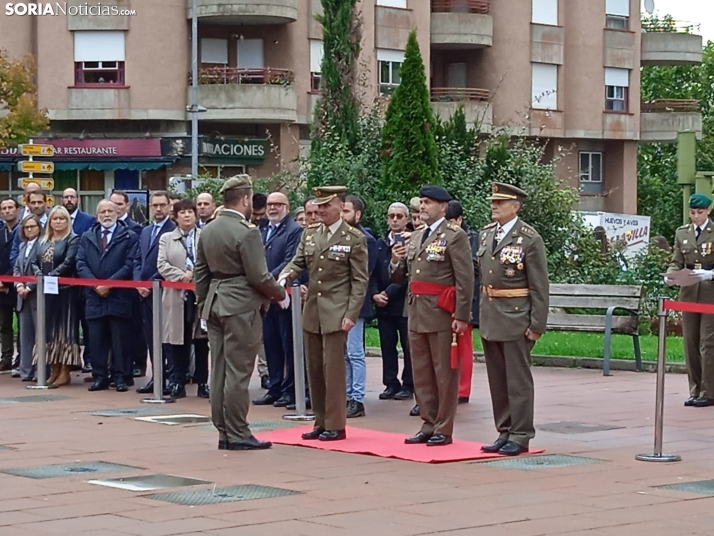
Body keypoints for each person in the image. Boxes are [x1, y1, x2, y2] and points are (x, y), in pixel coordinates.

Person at [194, 175, 288, 451]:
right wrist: (279, 293)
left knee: (220, 369)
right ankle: (237, 431)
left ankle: (223, 430)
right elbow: (258, 275)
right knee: (238, 371)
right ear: (246, 199)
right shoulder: (247, 231)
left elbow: (201, 273)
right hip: (240, 305)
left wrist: (203, 305)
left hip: (214, 302)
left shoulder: (208, 229)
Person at [279, 186, 369, 442]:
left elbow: (359, 280)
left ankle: (336, 424)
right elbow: (298, 262)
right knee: (315, 369)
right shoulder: (309, 234)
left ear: (341, 207)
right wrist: (285, 275)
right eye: (318, 206)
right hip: (314, 312)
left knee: (333, 371)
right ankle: (320, 420)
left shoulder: (353, 238)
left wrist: (352, 313)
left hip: (337, 312)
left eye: (326, 206)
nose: (320, 211)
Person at [391, 186, 474, 447]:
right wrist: (394, 261)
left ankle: (443, 427)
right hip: (415, 311)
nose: (422, 207)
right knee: (422, 372)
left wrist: (461, 315)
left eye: (427, 203)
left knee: (444, 374)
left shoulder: (454, 235)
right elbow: (401, 276)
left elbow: (464, 278)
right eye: (421, 203)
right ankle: (427, 423)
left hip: (440, 312)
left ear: (442, 206)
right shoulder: (415, 237)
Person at [478, 182, 549, 456]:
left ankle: (520, 434)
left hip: (516, 317)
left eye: (500, 202)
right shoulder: (486, 235)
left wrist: (536, 324)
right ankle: (504, 430)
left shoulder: (529, 238)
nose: (494, 206)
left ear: (515, 207)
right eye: (493, 201)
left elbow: (539, 285)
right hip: (491, 315)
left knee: (517, 380)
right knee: (497, 379)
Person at [77, 200, 140, 392]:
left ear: (116, 213)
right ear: (97, 215)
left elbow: (130, 264)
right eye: (102, 211)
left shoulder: (128, 236)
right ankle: (100, 376)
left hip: (119, 295)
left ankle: (120, 376)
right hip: (94, 296)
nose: (106, 214)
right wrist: (96, 284)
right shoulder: (88, 236)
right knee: (96, 339)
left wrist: (110, 283)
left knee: (120, 340)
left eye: (110, 211)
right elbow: (80, 262)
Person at [253, 192, 303, 408]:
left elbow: (289, 260)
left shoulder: (294, 230)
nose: (272, 208)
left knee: (287, 345)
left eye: (277, 204)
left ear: (287, 206)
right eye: (270, 204)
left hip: (284, 296)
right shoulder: (261, 228)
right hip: (266, 297)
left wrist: (266, 281)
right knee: (271, 344)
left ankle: (290, 390)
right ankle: (274, 387)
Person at [666, 193, 714, 407]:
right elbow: (677, 261)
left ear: (709, 211)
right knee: (690, 342)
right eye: (693, 212)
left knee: (707, 343)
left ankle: (708, 390)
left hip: (710, 292)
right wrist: (671, 275)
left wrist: (710, 274)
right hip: (689, 292)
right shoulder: (682, 233)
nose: (696, 217)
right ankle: (694, 389)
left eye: (700, 212)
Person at [158, 199, 209, 399]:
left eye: (190, 212)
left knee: (201, 340)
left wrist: (194, 275)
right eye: (183, 212)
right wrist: (182, 276)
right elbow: (161, 264)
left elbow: (209, 261)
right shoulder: (167, 238)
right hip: (176, 295)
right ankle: (177, 382)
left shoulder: (204, 236)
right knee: (177, 340)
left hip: (199, 294)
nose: (187, 216)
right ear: (176, 216)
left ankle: (203, 382)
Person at [370, 202, 414, 404]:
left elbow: (407, 276)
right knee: (387, 346)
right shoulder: (380, 244)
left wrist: (387, 293)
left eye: (399, 216)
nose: (395, 220)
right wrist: (374, 294)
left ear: (407, 220)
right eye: (392, 216)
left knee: (408, 347)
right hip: (382, 305)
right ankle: (390, 383)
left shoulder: (410, 242)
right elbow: (371, 272)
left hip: (402, 304)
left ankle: (408, 384)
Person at [32, 206, 81, 387]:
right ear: (50, 221)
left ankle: (65, 371)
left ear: (67, 221)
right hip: (46, 292)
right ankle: (53, 370)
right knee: (49, 330)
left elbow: (69, 262)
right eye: (55, 219)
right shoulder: (43, 240)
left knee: (65, 330)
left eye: (62, 219)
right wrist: (40, 276)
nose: (58, 222)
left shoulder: (73, 239)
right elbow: (33, 262)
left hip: (66, 292)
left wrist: (52, 276)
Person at [134, 192, 176, 394]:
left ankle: (171, 378)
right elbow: (137, 259)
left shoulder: (174, 230)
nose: (158, 209)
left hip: (164, 292)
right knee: (151, 337)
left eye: (162, 205)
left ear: (169, 207)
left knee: (167, 338)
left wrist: (152, 282)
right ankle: (156, 376)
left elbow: (171, 262)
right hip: (144, 293)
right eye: (155, 205)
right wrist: (138, 282)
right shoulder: (145, 231)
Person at [342, 195, 377, 418]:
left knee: (355, 352)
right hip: (338, 303)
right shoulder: (339, 237)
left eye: (346, 211)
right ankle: (346, 395)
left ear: (358, 214)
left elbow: (364, 275)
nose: (343, 215)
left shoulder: (366, 240)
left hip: (355, 303)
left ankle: (357, 398)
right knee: (344, 353)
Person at [445, 199, 480, 404]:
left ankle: (463, 390)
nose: (449, 226)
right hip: (445, 297)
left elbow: (474, 268)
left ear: (460, 219)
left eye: (452, 221)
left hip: (466, 299)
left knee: (464, 345)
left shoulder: (471, 238)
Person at [13, 215, 42, 381]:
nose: (29, 229)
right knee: (25, 336)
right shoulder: (23, 245)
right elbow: (17, 268)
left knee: (40, 335)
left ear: (39, 227)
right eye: (26, 227)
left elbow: (41, 270)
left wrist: (29, 287)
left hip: (37, 296)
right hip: (22, 296)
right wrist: (19, 286)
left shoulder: (43, 245)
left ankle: (40, 371)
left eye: (33, 226)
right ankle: (26, 371)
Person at [0, 198, 19, 372]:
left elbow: (20, 259)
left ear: (17, 210)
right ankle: (6, 357)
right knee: (4, 324)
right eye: (4, 208)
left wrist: (8, 280)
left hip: (19, 284)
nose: (7, 211)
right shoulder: (0, 233)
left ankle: (22, 357)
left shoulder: (24, 230)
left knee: (23, 323)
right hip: (1, 287)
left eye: (10, 208)